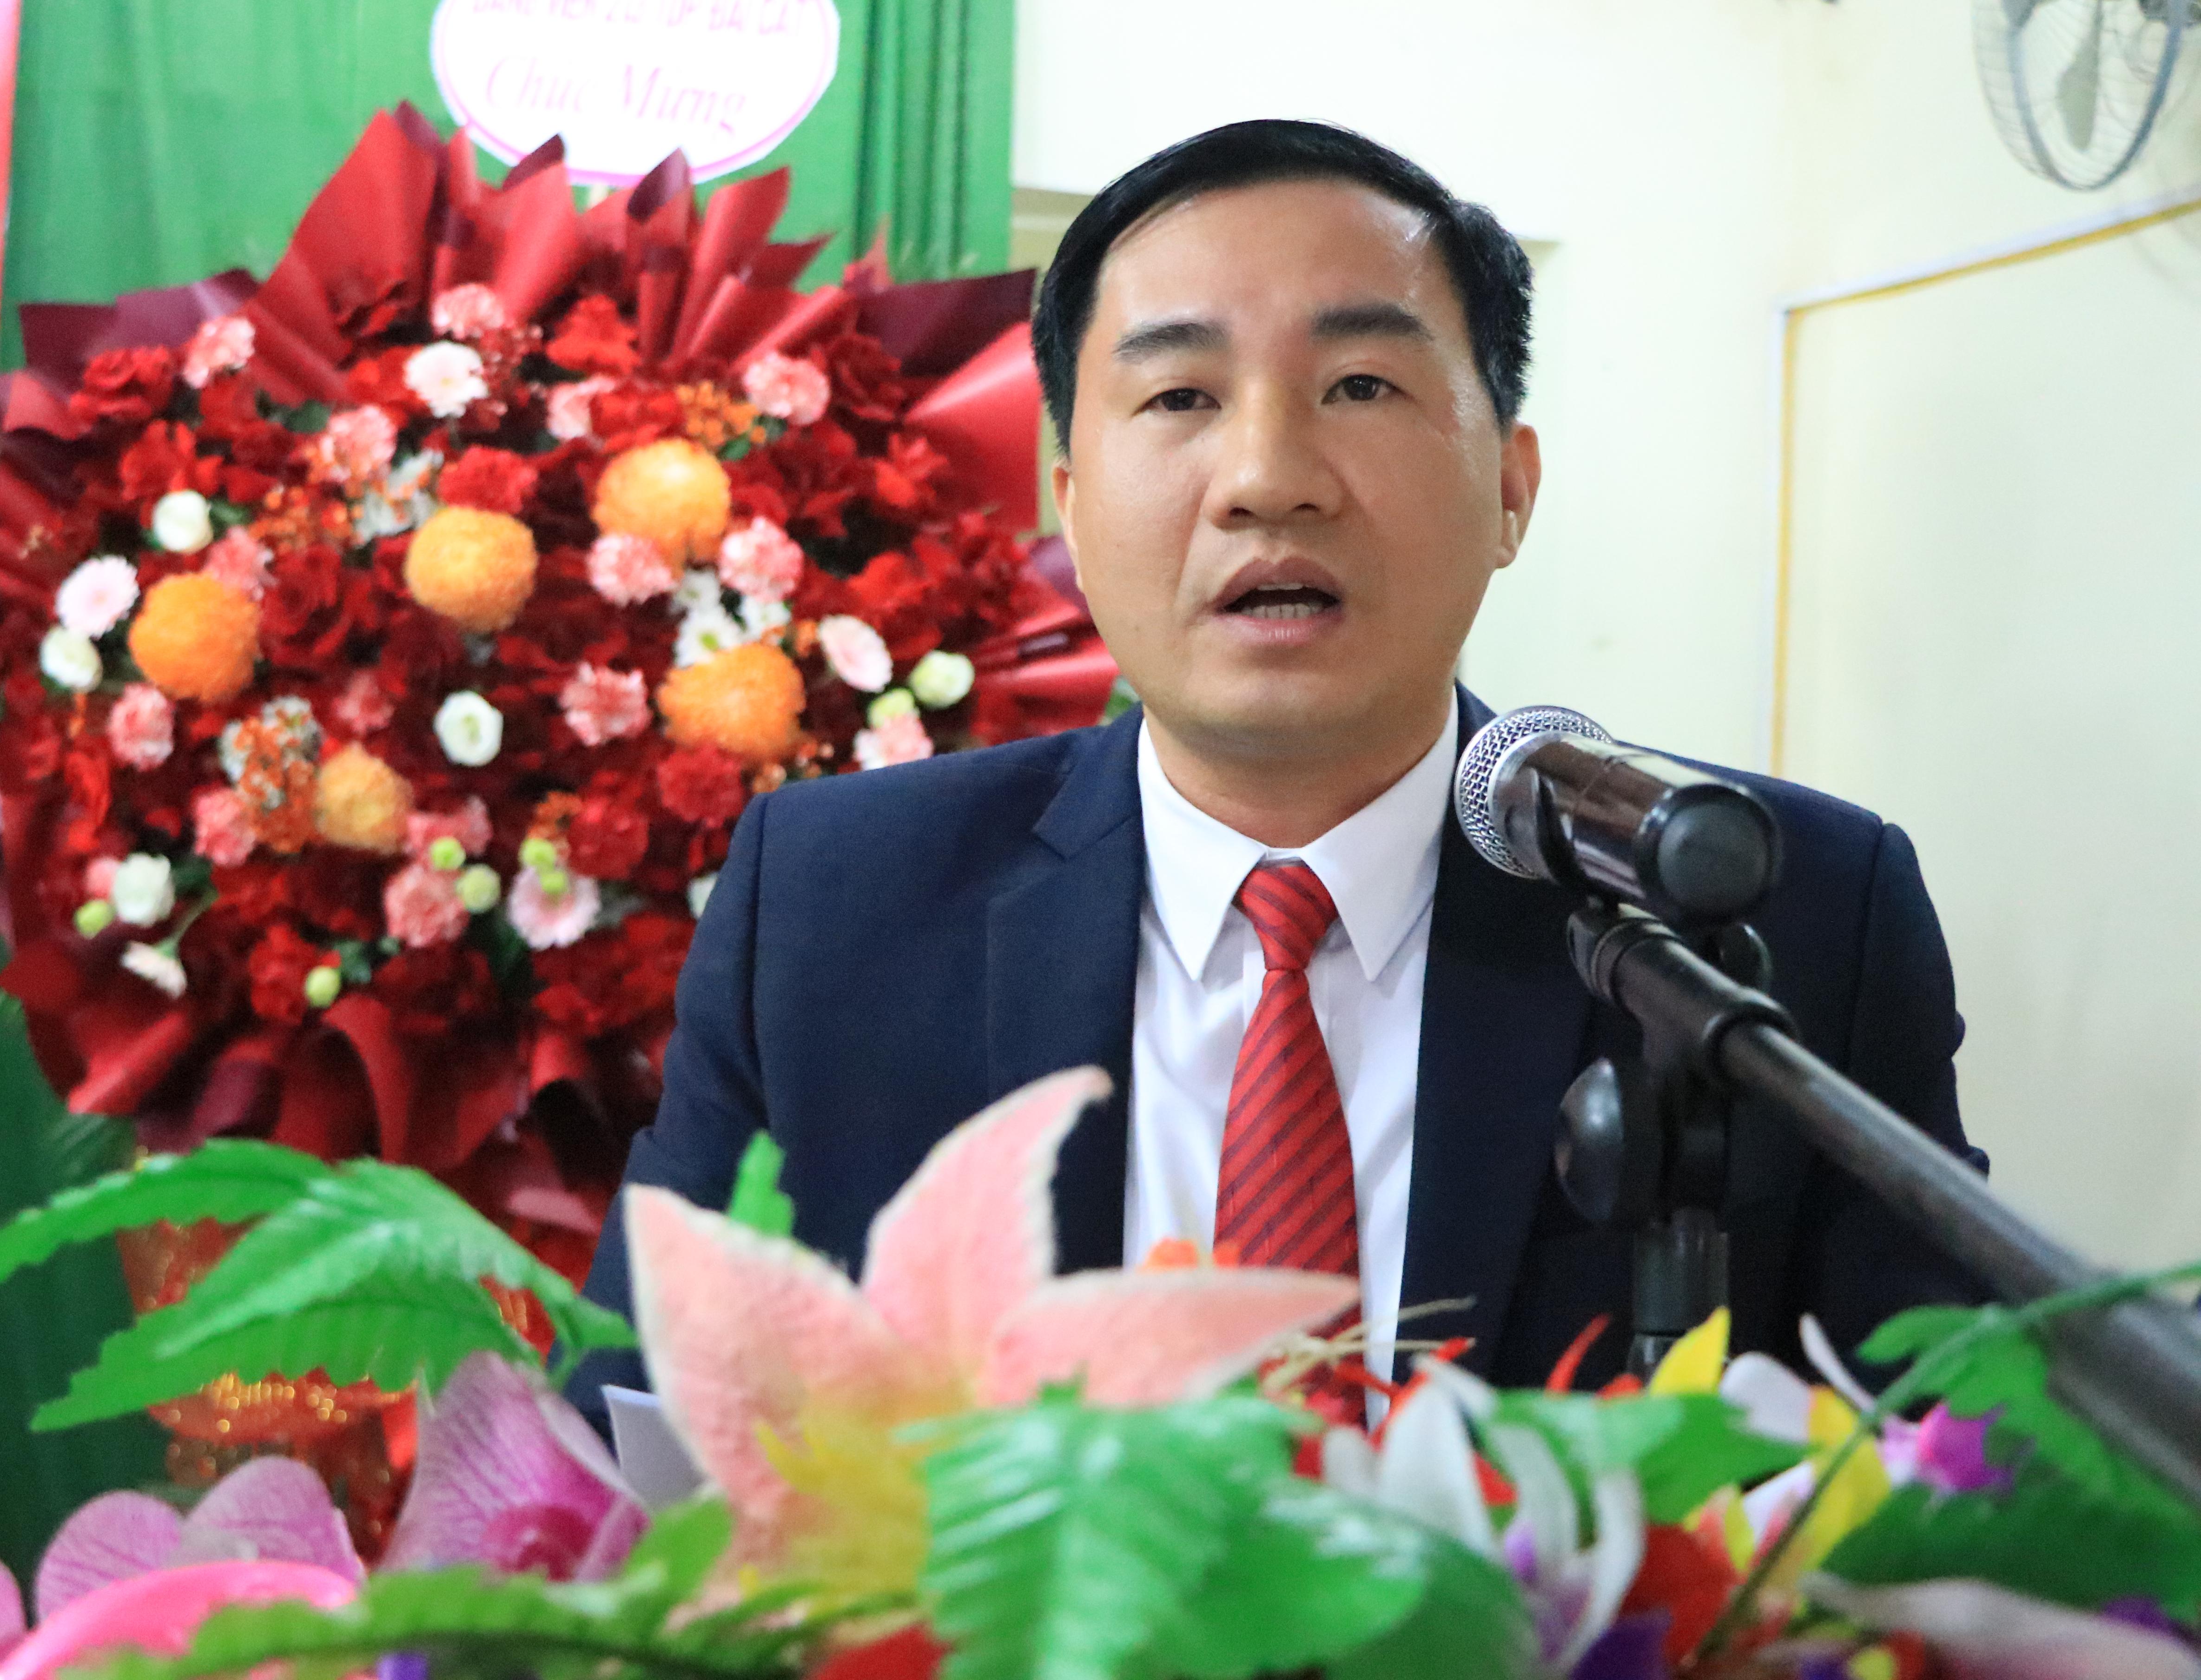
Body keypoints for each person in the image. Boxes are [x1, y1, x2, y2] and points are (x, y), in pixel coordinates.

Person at [570, 119, 1981, 1413]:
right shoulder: (833, 908)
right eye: (1180, 395)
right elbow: (635, 1446)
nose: (1267, 478)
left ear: (1510, 489)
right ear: (1071, 511)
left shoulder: (1778, 910)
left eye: (1361, 384)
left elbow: (1955, 1470)